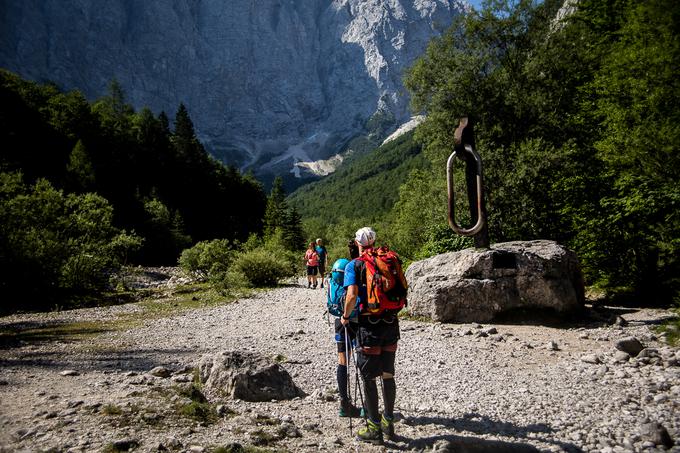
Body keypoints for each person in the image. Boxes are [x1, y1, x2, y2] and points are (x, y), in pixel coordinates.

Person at [341, 227, 400, 445]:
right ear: (374, 241)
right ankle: (389, 424)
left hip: (369, 326)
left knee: (368, 377)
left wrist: (345, 317)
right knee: (388, 374)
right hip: (391, 323)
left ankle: (374, 428)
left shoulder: (354, 265)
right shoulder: (388, 259)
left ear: (357, 243)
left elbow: (352, 295)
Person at [331, 240, 362, 417]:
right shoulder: (356, 268)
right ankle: (368, 406)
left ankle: (344, 403)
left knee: (343, 361)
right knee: (361, 360)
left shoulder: (336, 276)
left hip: (339, 321)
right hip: (356, 320)